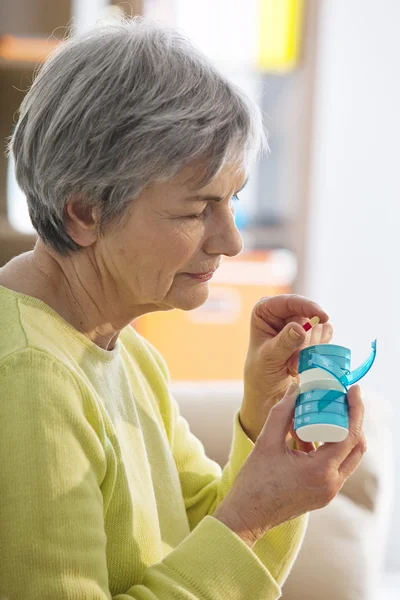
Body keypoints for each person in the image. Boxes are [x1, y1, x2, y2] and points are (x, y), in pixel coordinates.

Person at [0, 17, 366, 600]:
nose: (231, 240)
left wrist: (265, 409)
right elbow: (230, 532)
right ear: (85, 213)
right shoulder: (27, 378)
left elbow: (200, 535)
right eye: (198, 210)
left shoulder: (127, 352)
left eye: (234, 200)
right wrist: (250, 518)